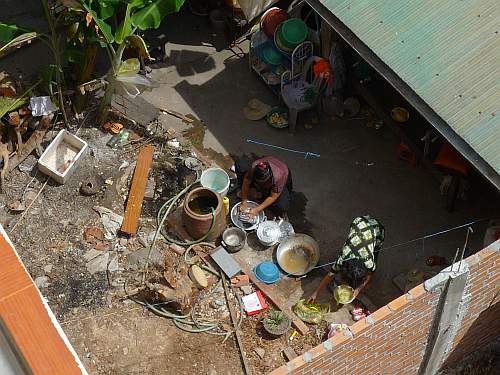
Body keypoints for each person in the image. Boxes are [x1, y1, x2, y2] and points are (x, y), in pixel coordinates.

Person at [309, 215, 385, 302]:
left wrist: (358, 289)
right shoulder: (343, 257)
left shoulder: (369, 262)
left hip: (377, 229)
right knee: (352, 243)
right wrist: (316, 293)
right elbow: (331, 274)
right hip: (358, 222)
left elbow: (370, 274)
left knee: (375, 253)